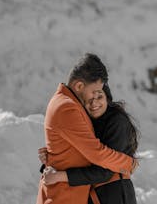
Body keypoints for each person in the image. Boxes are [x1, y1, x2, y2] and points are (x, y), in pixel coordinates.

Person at [36, 53, 138, 204]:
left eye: (99, 95)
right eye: (93, 93)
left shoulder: (115, 121)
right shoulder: (67, 107)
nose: (94, 101)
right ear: (79, 86)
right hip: (65, 196)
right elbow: (94, 153)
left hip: (112, 194)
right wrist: (128, 163)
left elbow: (93, 157)